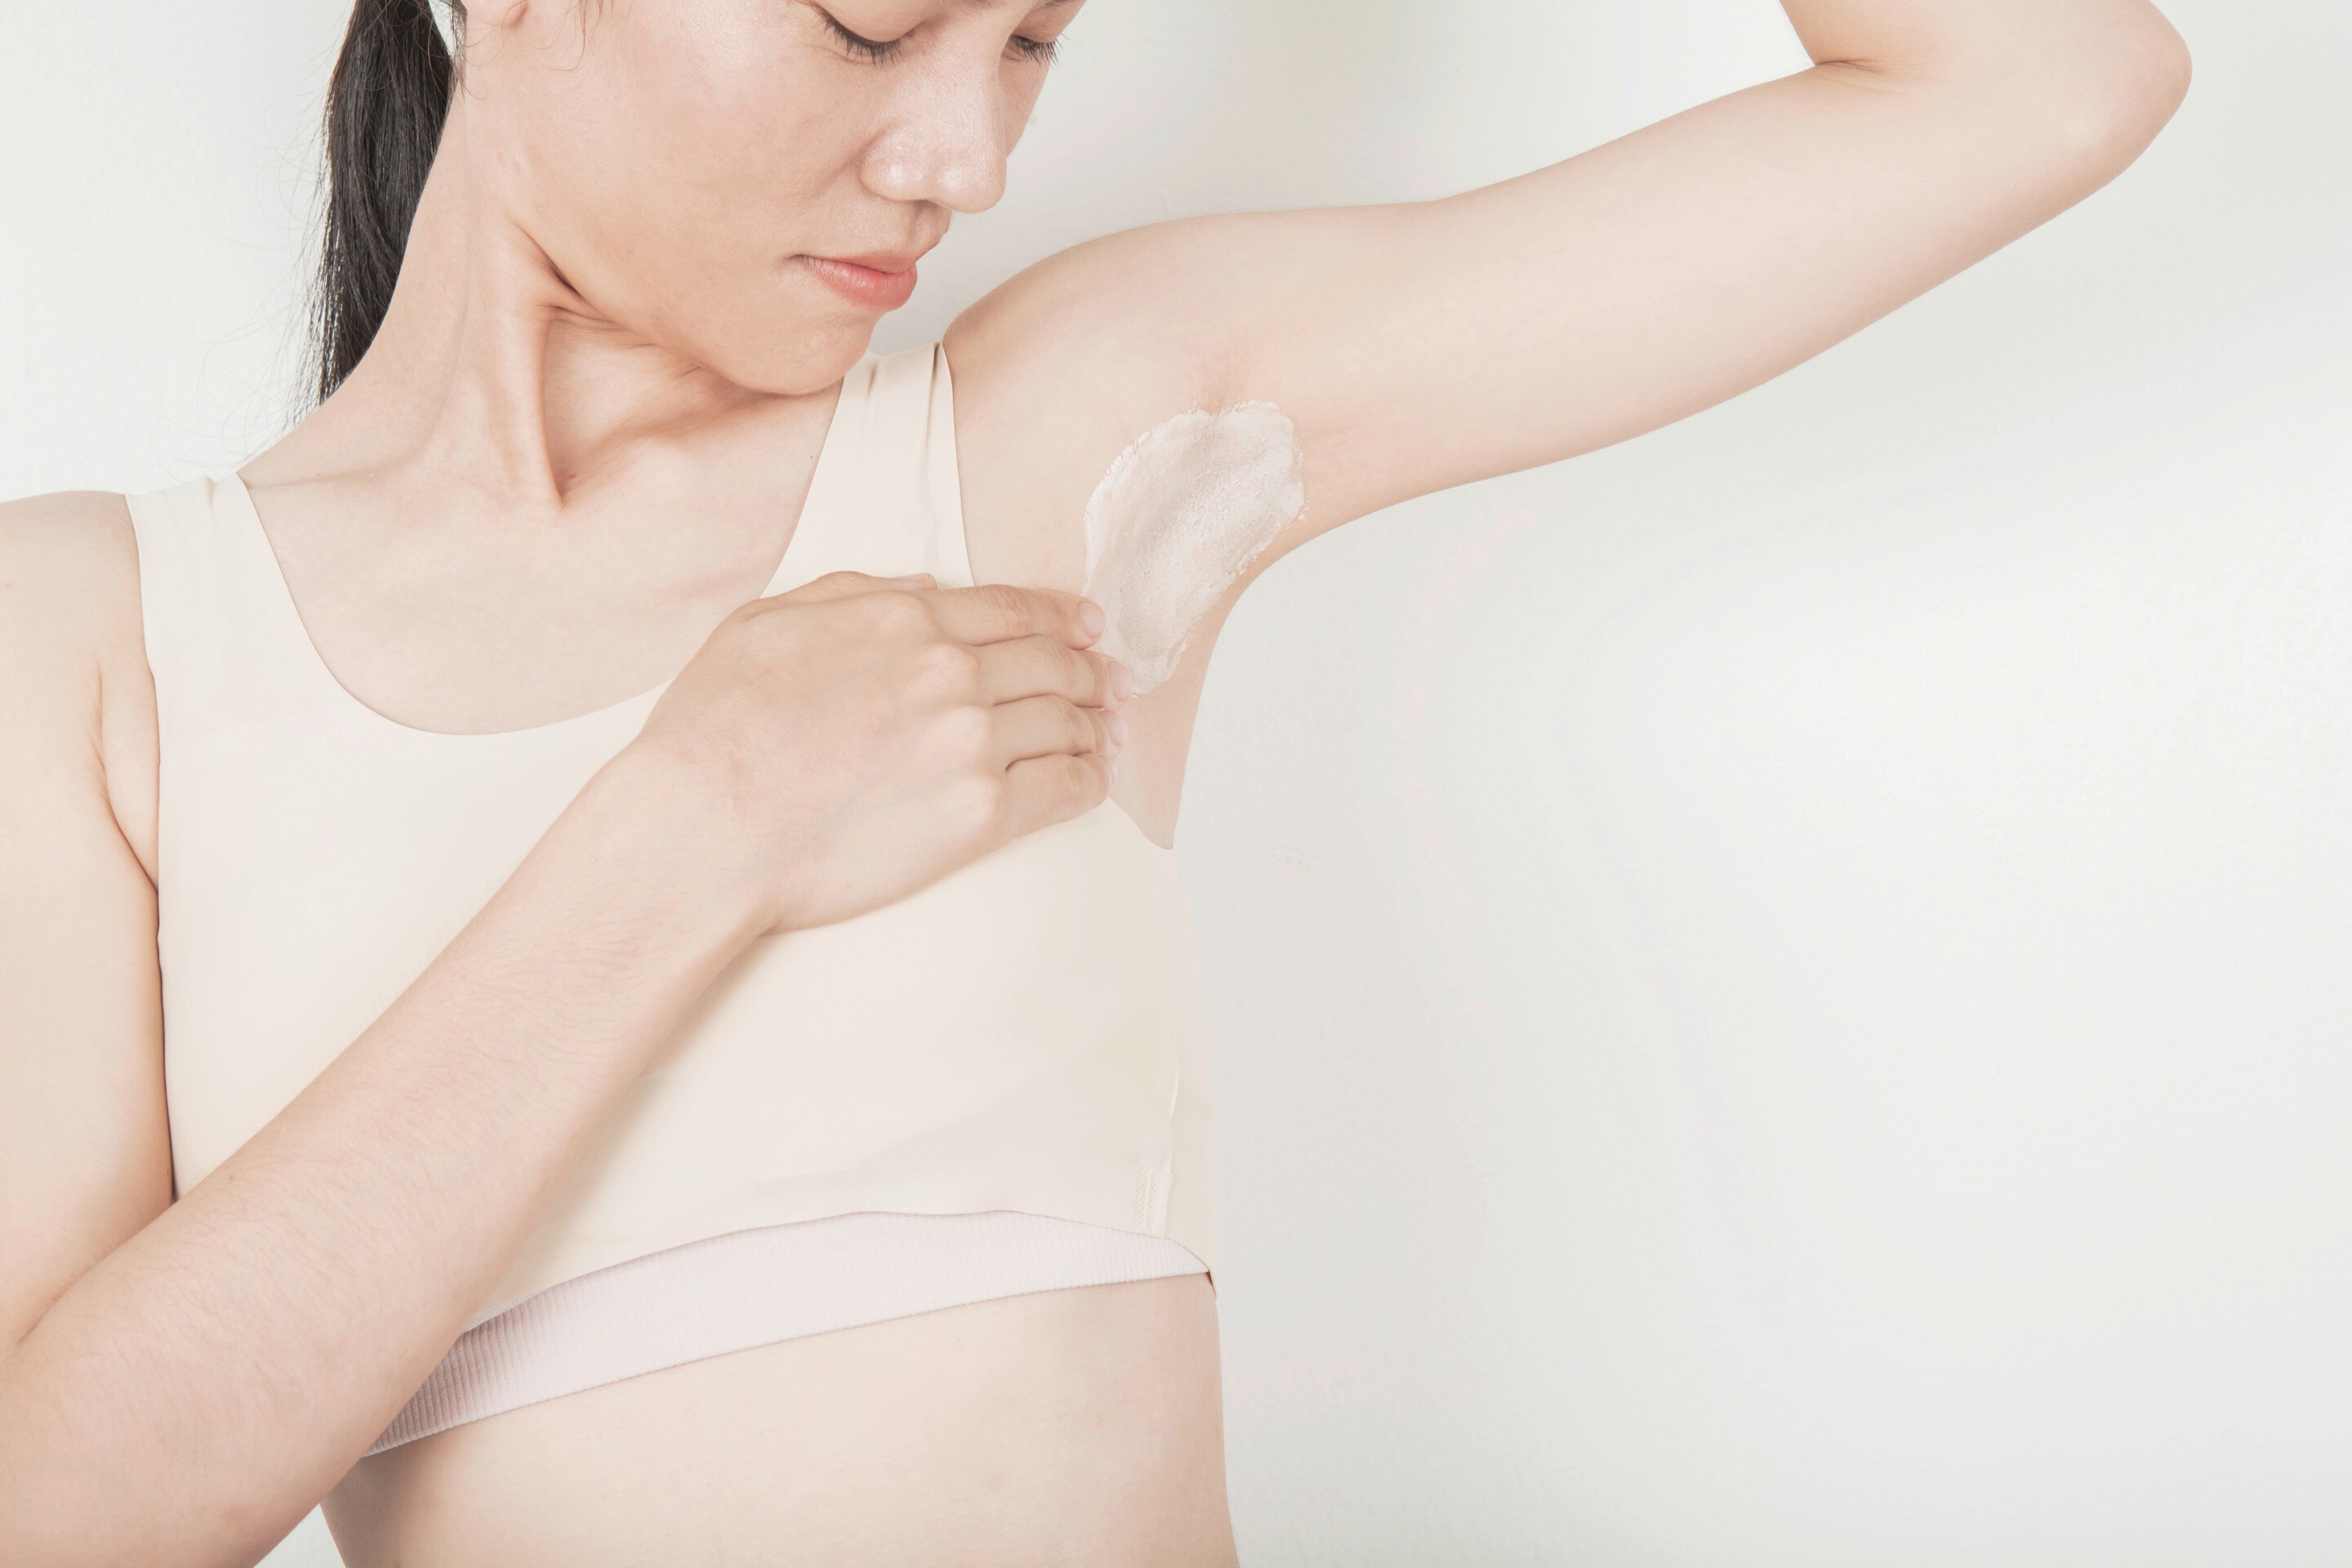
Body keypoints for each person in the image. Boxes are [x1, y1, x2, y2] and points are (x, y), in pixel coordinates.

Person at [0, 1, 2190, 1563]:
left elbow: (2053, 74)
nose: (967, 157)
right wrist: (689, 828)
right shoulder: (99, 633)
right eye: (873, 34)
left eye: (1033, 42)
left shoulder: (1071, 440)